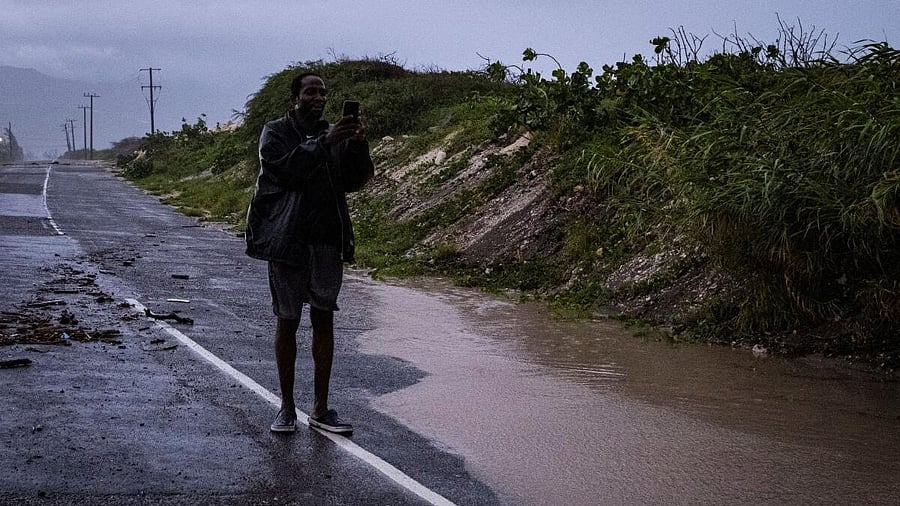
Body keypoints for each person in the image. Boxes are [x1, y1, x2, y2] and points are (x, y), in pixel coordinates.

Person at [245, 72, 374, 434]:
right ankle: (286, 407)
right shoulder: (275, 132)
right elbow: (284, 169)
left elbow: (354, 180)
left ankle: (321, 408)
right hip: (287, 241)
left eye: (323, 92)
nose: (318, 98)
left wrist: (357, 145)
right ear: (295, 98)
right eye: (310, 92)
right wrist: (324, 142)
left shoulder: (333, 134)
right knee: (287, 320)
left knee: (324, 318)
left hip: (326, 240)